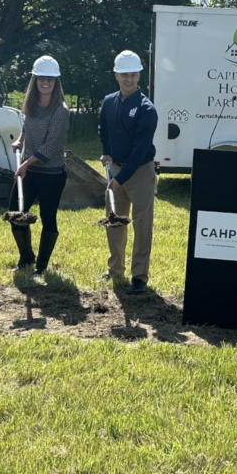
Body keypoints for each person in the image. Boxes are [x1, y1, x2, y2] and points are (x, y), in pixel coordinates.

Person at [97, 50, 158, 294]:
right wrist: (106, 151)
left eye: (133, 75)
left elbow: (139, 150)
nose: (129, 79)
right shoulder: (109, 101)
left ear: (139, 76)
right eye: (124, 75)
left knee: (141, 224)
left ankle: (139, 276)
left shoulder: (147, 109)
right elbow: (103, 128)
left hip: (140, 171)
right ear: (116, 75)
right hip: (116, 169)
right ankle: (115, 270)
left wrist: (118, 180)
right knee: (114, 222)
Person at [10, 55, 70, 275]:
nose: (46, 83)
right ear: (35, 80)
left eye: (50, 79)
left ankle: (41, 266)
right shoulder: (32, 105)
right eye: (41, 78)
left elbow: (52, 145)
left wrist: (26, 163)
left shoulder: (61, 111)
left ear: (56, 82)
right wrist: (20, 139)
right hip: (29, 170)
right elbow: (27, 126)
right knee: (16, 214)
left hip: (51, 174)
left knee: (48, 218)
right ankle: (26, 257)